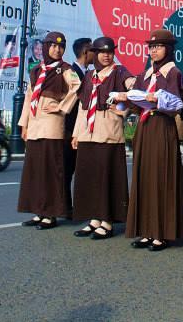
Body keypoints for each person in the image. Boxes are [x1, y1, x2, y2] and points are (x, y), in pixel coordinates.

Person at [125, 28, 183, 252]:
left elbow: (176, 103)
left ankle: (161, 232)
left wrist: (156, 99)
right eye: (151, 47)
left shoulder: (173, 73)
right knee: (145, 176)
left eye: (158, 46)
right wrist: (125, 99)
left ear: (168, 49)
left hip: (162, 126)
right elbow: (136, 100)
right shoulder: (145, 74)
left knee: (161, 177)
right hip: (145, 127)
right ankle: (146, 230)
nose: (154, 51)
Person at [71, 37, 135, 240]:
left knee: (106, 177)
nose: (106, 55)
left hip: (108, 131)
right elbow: (83, 107)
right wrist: (76, 134)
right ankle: (94, 220)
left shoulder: (120, 72)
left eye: (110, 51)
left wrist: (122, 109)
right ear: (95, 54)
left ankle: (107, 222)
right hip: (88, 132)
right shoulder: (90, 75)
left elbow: (133, 93)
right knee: (90, 177)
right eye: (101, 52)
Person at [17, 32, 82, 229]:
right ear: (46, 47)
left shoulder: (66, 69)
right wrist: (24, 125)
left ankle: (50, 214)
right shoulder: (36, 70)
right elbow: (29, 97)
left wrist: (61, 107)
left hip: (52, 125)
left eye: (61, 47)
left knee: (50, 171)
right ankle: (39, 211)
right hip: (35, 125)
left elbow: (77, 88)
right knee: (35, 171)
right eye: (53, 46)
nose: (57, 49)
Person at [65, 37, 93, 214]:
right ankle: (66, 207)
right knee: (68, 169)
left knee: (82, 170)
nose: (96, 54)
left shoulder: (89, 73)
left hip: (85, 129)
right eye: (93, 50)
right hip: (71, 129)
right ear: (85, 52)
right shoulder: (71, 72)